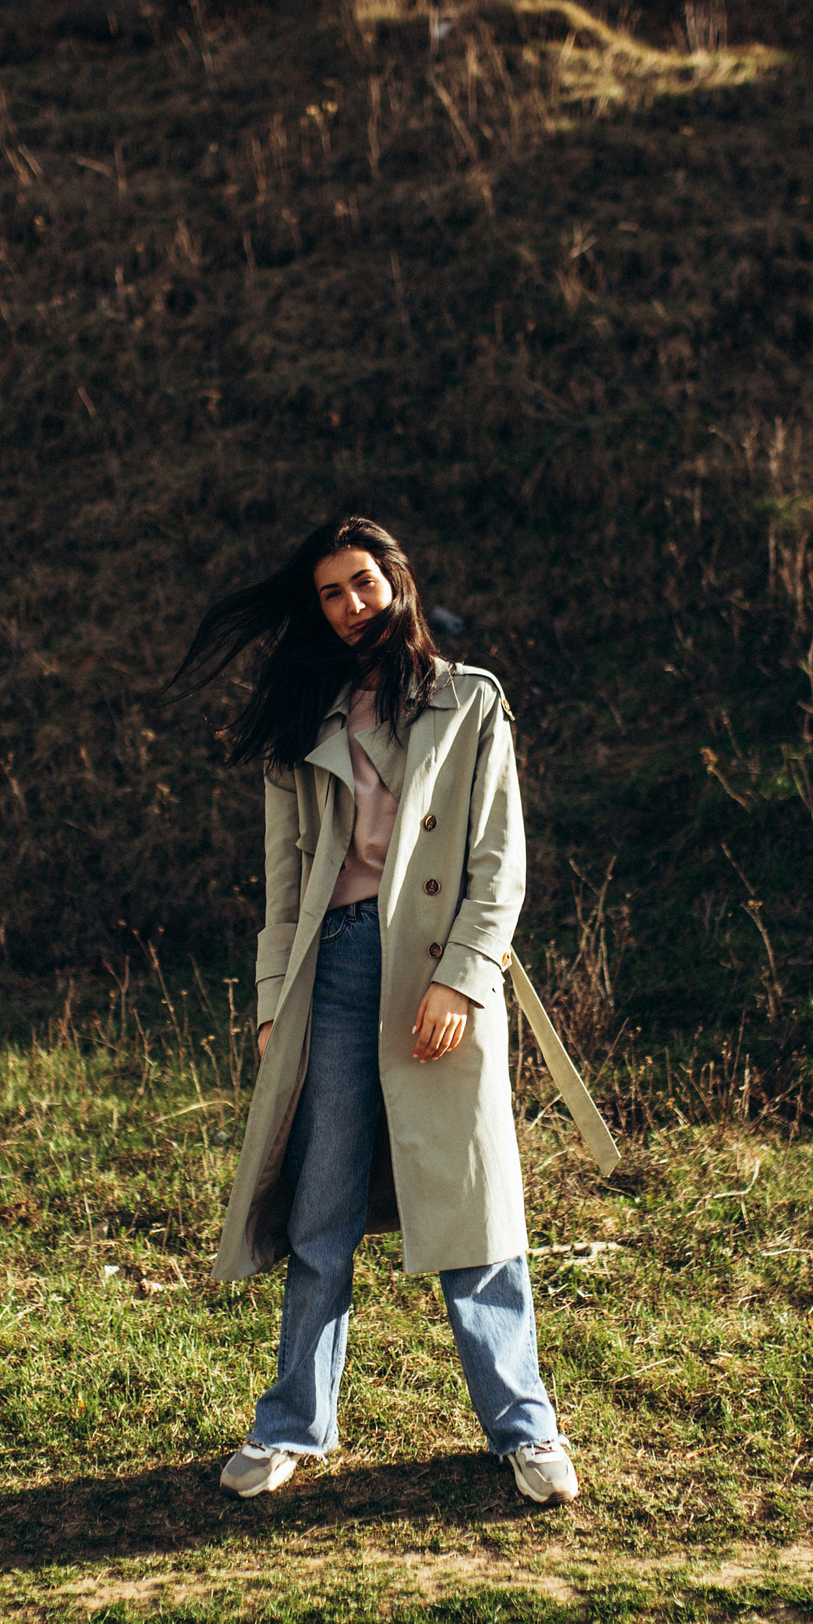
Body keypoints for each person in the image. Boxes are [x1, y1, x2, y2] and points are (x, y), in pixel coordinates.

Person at [161, 515, 578, 1505]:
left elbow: (499, 862)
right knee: (321, 1210)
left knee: (474, 1207)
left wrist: (461, 979)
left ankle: (524, 1428)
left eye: (362, 583)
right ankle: (293, 1425)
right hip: (336, 971)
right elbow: (286, 881)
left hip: (438, 969)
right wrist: (274, 1001)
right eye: (330, 594)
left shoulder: (470, 700)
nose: (350, 605)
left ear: (398, 581)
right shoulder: (303, 720)